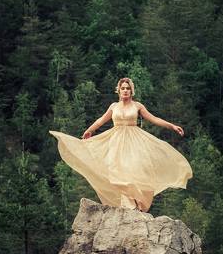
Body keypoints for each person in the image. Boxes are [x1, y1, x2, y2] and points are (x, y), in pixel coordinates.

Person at [50, 76, 192, 212]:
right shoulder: (114, 106)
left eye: (128, 88)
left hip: (134, 141)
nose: (125, 90)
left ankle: (136, 203)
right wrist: (90, 130)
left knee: (134, 171)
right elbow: (101, 120)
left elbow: (154, 119)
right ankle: (127, 204)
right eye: (123, 88)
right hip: (116, 142)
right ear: (118, 90)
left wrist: (172, 126)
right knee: (116, 173)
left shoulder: (137, 106)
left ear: (131, 91)